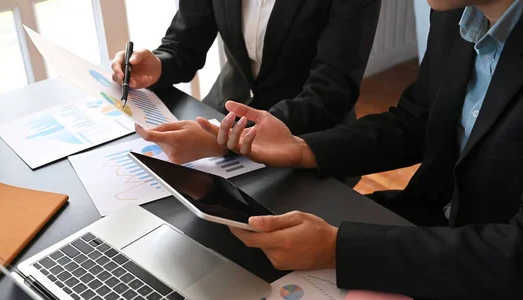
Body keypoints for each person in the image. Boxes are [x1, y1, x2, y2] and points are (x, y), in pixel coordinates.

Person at [197, 0, 523, 298]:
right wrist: (301, 148)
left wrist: (341, 249)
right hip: (426, 226)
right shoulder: (454, 13)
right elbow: (416, 122)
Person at [112, 0, 381, 163]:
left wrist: (227, 137)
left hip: (306, 132)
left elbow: (331, 92)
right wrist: (158, 65)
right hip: (223, 110)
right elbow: (184, 45)